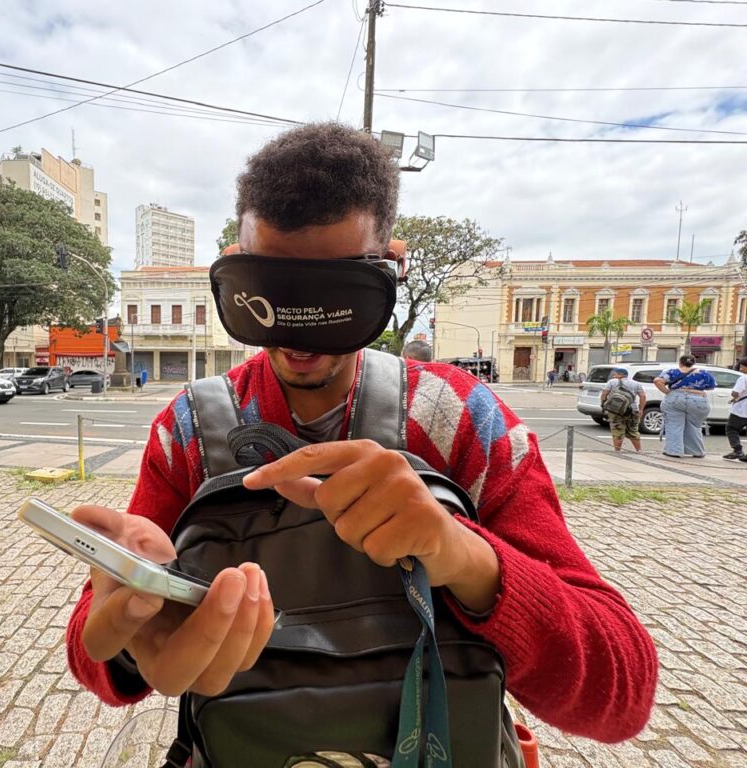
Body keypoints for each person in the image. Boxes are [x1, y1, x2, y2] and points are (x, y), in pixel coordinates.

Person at [65, 123, 656, 747]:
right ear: (238, 270)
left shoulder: (459, 420)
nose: (299, 336)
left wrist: (462, 554)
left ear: (389, 271)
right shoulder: (187, 431)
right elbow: (94, 639)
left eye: (334, 296)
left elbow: (621, 695)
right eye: (270, 292)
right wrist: (131, 635)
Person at [653, 354, 716, 458]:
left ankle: (674, 451)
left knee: (674, 425)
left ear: (680, 362)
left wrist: (667, 392)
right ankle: (697, 451)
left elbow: (657, 381)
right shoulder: (704, 373)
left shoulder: (672, 372)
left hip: (676, 397)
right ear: (693, 363)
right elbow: (711, 387)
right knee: (695, 426)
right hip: (698, 399)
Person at [599, 367, 646, 453]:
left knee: (617, 431)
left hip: (615, 410)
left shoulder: (612, 382)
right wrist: (641, 409)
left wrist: (603, 404)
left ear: (620, 375)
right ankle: (639, 450)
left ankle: (617, 451)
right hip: (632, 410)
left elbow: (604, 394)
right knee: (633, 431)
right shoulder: (636, 383)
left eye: (616, 373)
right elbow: (642, 396)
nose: (614, 375)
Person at [723, 356, 747, 461]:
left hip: (742, 409)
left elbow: (735, 393)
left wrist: (734, 395)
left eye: (742, 366)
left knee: (732, 428)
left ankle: (737, 450)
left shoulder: (743, 378)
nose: (740, 369)